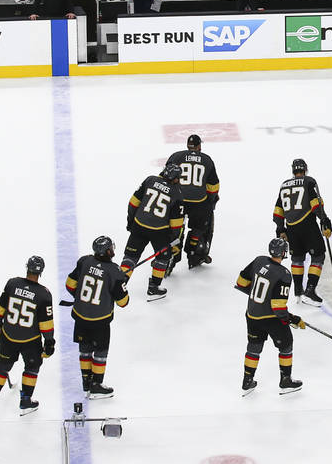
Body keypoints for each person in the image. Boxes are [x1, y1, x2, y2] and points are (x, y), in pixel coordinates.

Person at [234, 238, 305, 396]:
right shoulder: (284, 275)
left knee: (254, 347)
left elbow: (241, 282)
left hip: (252, 314)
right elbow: (278, 308)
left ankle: (247, 381)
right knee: (286, 345)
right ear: (283, 253)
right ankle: (286, 380)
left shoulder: (259, 261)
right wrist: (292, 319)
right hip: (270, 319)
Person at [0, 255, 55, 415]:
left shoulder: (13, 283)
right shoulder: (44, 294)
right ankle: (25, 401)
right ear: (41, 271)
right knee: (32, 367)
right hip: (30, 340)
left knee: (2, 367)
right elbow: (46, 324)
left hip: (8, 336)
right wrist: (49, 343)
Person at [63, 236, 129, 400]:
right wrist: (121, 284)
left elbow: (70, 284)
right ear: (107, 251)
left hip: (80, 315)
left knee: (84, 349)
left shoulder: (84, 261)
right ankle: (96, 385)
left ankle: (86, 381)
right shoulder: (115, 271)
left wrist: (80, 297)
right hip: (100, 320)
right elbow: (123, 302)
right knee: (100, 352)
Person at [273, 158, 332, 306]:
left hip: (291, 227)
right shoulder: (309, 181)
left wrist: (280, 228)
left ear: (293, 171)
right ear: (305, 169)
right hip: (308, 225)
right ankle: (310, 291)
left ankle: (298, 291)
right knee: (318, 255)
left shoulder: (284, 185)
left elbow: (277, 211)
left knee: (297, 258)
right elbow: (315, 204)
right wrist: (324, 220)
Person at [120, 164, 184, 301]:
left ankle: (119, 285)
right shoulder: (176, 194)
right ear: (174, 178)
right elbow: (176, 223)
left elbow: (133, 203)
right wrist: (173, 240)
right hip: (159, 231)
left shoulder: (150, 180)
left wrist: (131, 221)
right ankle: (154, 287)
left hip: (139, 225)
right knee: (162, 258)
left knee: (130, 256)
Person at [166, 134, 221, 270]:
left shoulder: (176, 156)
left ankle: (172, 253)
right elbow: (213, 186)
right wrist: (212, 200)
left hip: (178, 200)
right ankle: (195, 252)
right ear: (199, 146)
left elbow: (166, 177)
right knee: (199, 227)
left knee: (174, 228)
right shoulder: (207, 160)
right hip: (199, 201)